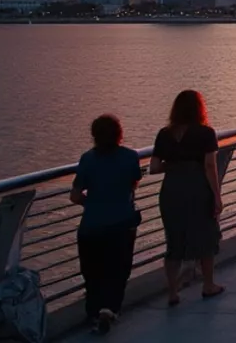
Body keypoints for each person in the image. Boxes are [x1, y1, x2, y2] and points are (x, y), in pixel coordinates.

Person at [151, 90, 223, 305]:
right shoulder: (206, 133)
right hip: (197, 188)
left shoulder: (164, 134)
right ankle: (208, 285)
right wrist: (217, 196)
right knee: (206, 237)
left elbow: (154, 167)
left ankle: (173, 292)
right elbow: (210, 166)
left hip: (171, 189)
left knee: (174, 240)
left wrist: (174, 165)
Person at [72, 114, 141, 334]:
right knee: (119, 270)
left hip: (91, 226)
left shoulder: (87, 159)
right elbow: (132, 184)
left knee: (92, 272)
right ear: (119, 134)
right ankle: (109, 310)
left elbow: (75, 195)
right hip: (121, 224)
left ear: (94, 136)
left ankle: (93, 312)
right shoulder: (131, 157)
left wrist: (91, 202)